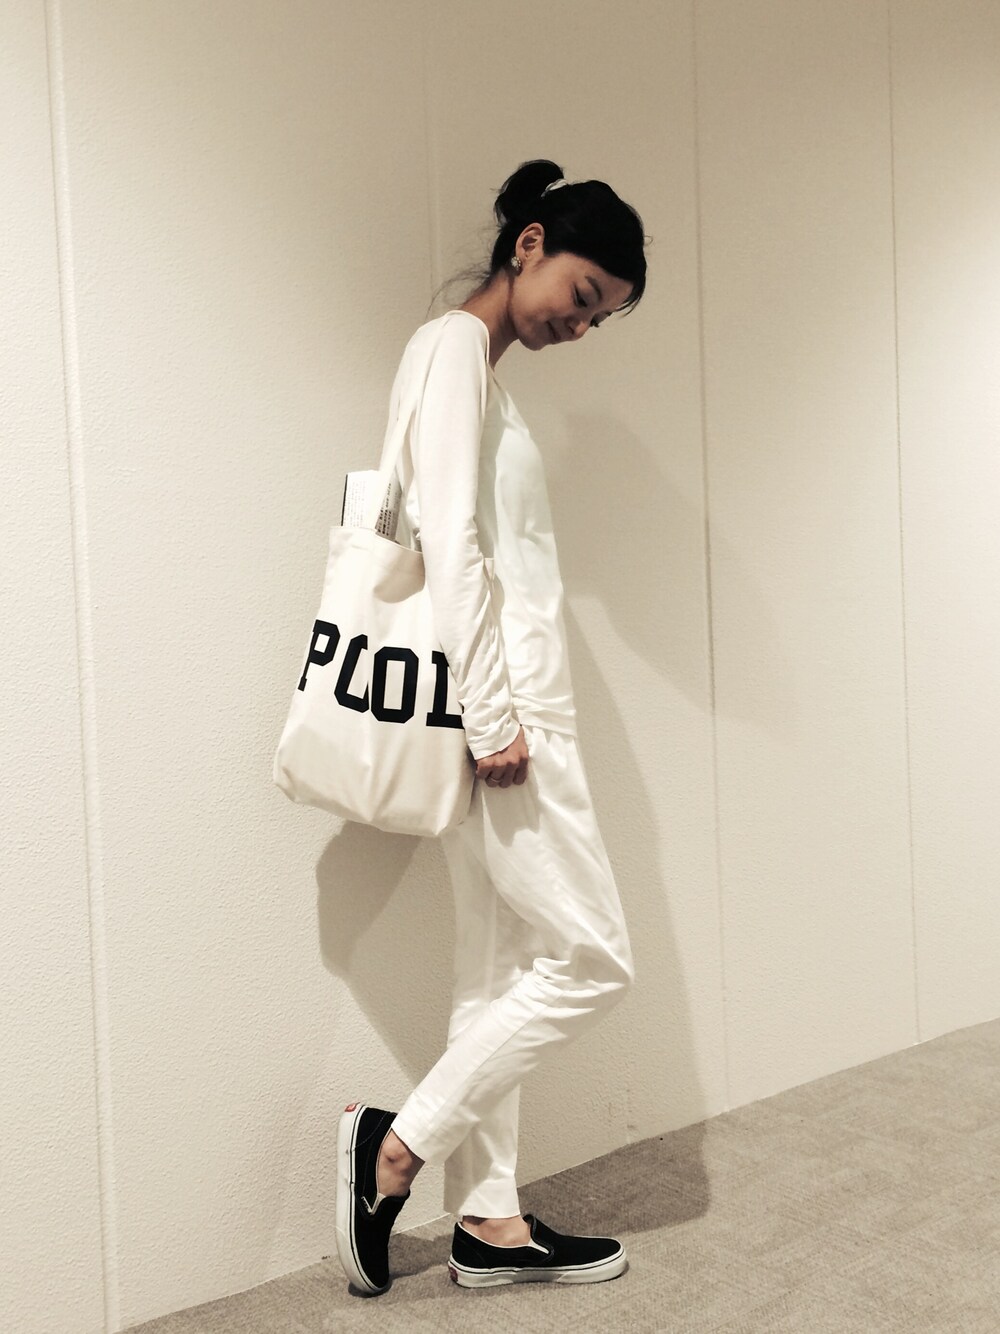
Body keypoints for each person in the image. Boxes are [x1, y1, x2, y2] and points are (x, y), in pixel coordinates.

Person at [335, 159, 647, 1295]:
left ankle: (490, 1220)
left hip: (502, 709)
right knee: (594, 959)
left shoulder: (476, 369)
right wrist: (493, 716)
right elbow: (452, 546)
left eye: (601, 315)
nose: (581, 323)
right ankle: (397, 1148)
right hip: (505, 717)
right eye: (583, 291)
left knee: (499, 966)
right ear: (528, 245)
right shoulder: (456, 353)